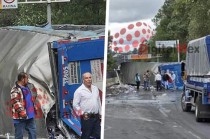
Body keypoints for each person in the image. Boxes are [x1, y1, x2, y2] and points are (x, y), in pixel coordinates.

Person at [73, 72, 101, 139]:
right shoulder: (79, 91)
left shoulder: (95, 88)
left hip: (96, 117)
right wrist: (82, 114)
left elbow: (98, 101)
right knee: (86, 135)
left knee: (98, 135)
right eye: (86, 78)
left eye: (90, 77)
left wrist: (101, 113)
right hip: (87, 117)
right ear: (83, 80)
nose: (89, 79)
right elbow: (75, 105)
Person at [10, 72, 37, 139]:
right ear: (22, 79)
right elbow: (15, 102)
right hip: (20, 117)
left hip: (30, 116)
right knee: (19, 135)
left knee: (32, 132)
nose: (28, 80)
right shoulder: (15, 89)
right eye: (27, 78)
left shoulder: (27, 87)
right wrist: (22, 112)